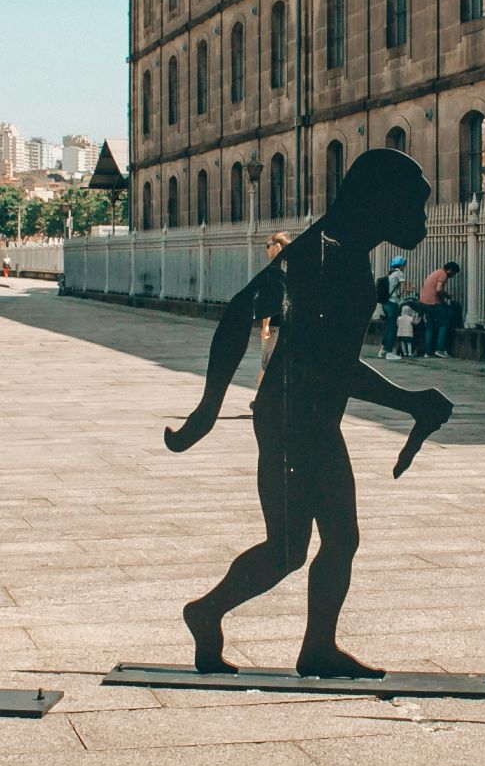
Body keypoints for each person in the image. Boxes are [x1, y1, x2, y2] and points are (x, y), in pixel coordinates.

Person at [166, 149, 452, 678]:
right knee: (288, 550)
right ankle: (206, 612)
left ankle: (317, 646)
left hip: (311, 418)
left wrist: (411, 401)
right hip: (291, 418)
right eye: (416, 206)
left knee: (339, 539)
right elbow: (257, 323)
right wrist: (208, 409)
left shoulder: (340, 248)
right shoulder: (330, 257)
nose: (423, 220)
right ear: (381, 202)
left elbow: (330, 360)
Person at [254, 231, 293, 386]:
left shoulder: (273, 271)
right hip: (288, 325)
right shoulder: (289, 269)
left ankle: (261, 400)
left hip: (275, 326)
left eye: (268, 246)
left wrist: (265, 327)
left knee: (267, 363)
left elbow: (267, 302)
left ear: (277, 247)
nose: (266, 250)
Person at [418, 261, 460, 358]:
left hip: (423, 302)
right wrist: (445, 297)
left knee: (429, 326)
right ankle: (440, 349)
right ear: (450, 270)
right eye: (453, 273)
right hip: (432, 302)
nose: (452, 276)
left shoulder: (436, 272)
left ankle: (427, 352)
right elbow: (438, 289)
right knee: (444, 323)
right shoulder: (443, 274)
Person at [380, 255, 408, 361]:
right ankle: (389, 352)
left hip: (385, 304)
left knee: (389, 326)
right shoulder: (400, 274)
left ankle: (382, 350)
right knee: (393, 328)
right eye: (404, 265)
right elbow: (405, 290)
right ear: (401, 265)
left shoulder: (390, 274)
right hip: (392, 304)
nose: (404, 267)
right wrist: (411, 288)